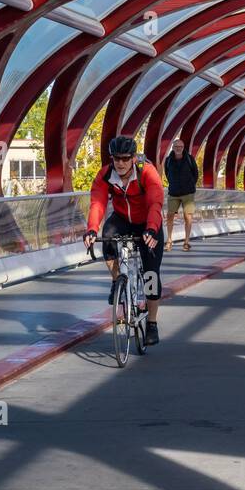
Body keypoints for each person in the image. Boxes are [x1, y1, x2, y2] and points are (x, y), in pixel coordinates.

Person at [85, 135, 165, 346]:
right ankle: (117, 281)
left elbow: (155, 203)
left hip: (147, 220)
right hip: (122, 219)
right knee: (108, 237)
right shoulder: (105, 175)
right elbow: (98, 203)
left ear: (133, 158)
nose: (120, 163)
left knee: (150, 275)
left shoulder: (146, 172)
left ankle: (152, 323)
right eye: (116, 159)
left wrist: (151, 229)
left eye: (125, 158)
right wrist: (92, 229)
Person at [163, 137, 199, 252]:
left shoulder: (189, 159)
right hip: (173, 192)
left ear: (183, 148)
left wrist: (190, 184)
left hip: (188, 193)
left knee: (187, 217)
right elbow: (167, 173)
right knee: (169, 216)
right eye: (176, 147)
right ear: (173, 148)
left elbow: (195, 174)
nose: (178, 148)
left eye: (180, 147)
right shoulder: (168, 160)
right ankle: (169, 240)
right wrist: (173, 184)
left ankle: (186, 241)